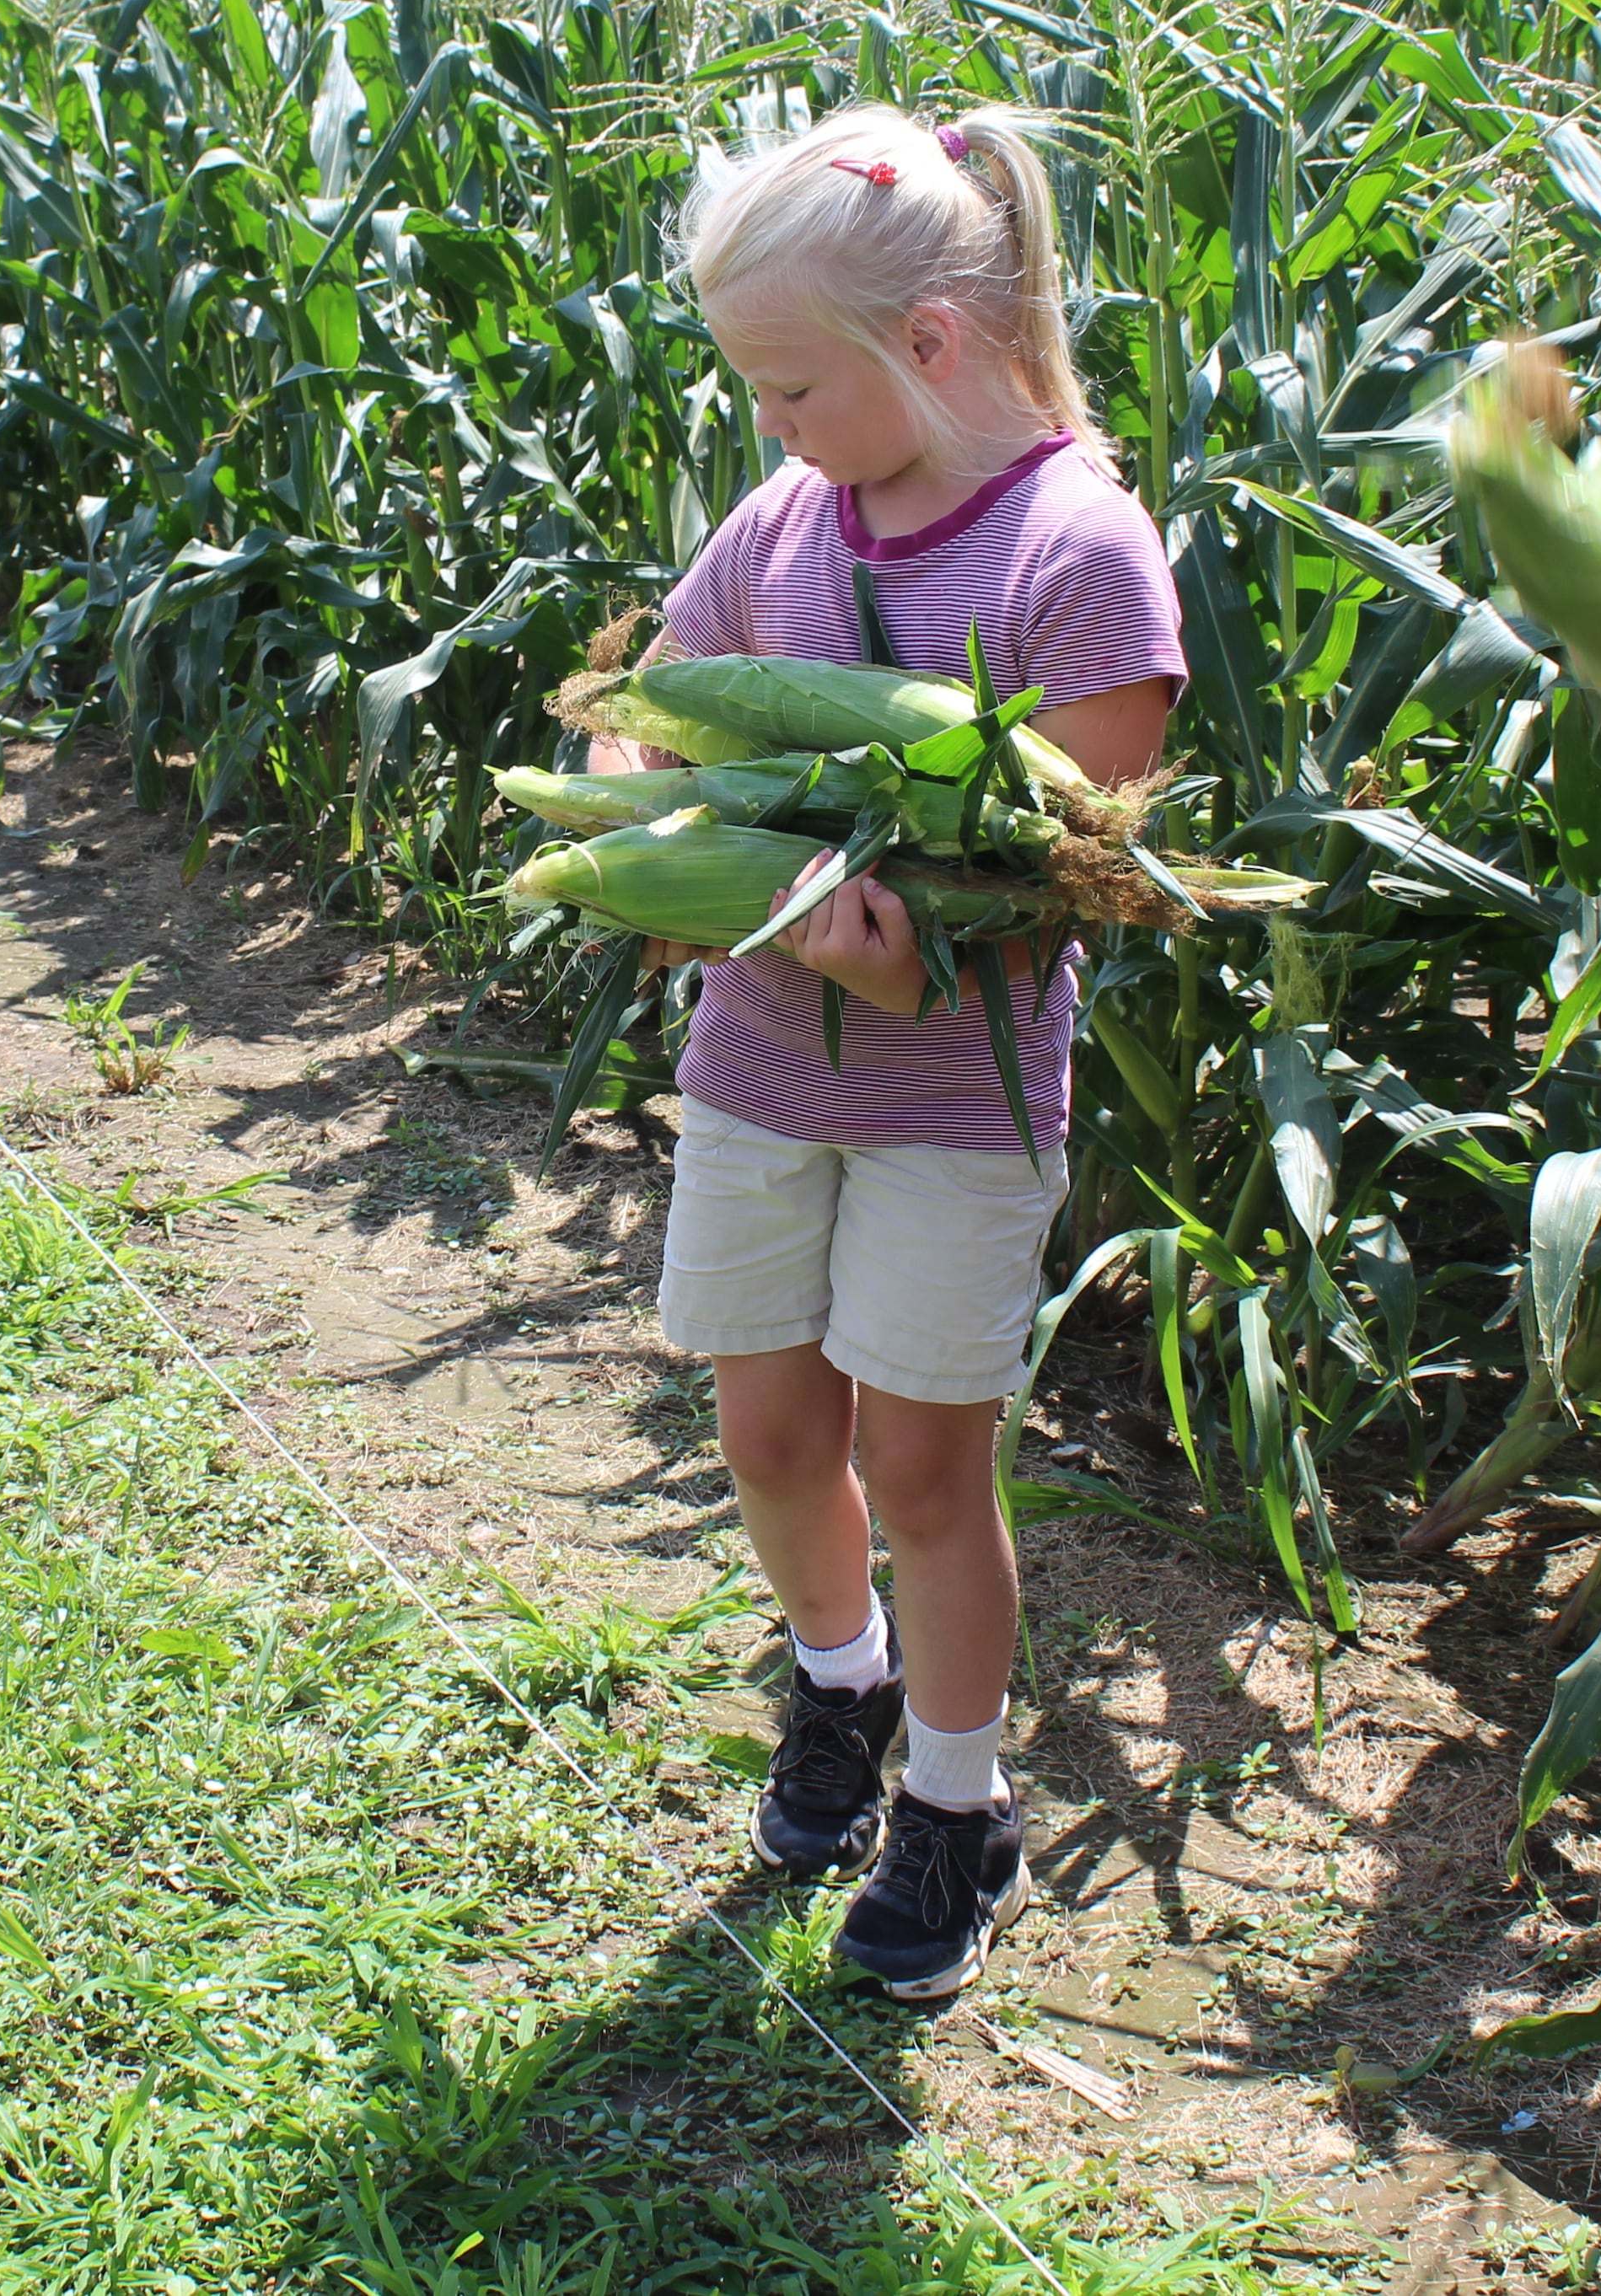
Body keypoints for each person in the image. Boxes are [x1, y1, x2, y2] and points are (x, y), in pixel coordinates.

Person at [614, 102, 1182, 1998]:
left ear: (927, 346)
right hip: (760, 1072)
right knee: (771, 1433)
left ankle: (956, 1795)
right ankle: (838, 1683)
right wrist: (630, 812)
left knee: (927, 1471)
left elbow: (1084, 868)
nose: (765, 429)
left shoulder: (1074, 553)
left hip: (951, 1099)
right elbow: (663, 712)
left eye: (786, 388)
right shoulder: (783, 522)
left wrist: (902, 952)